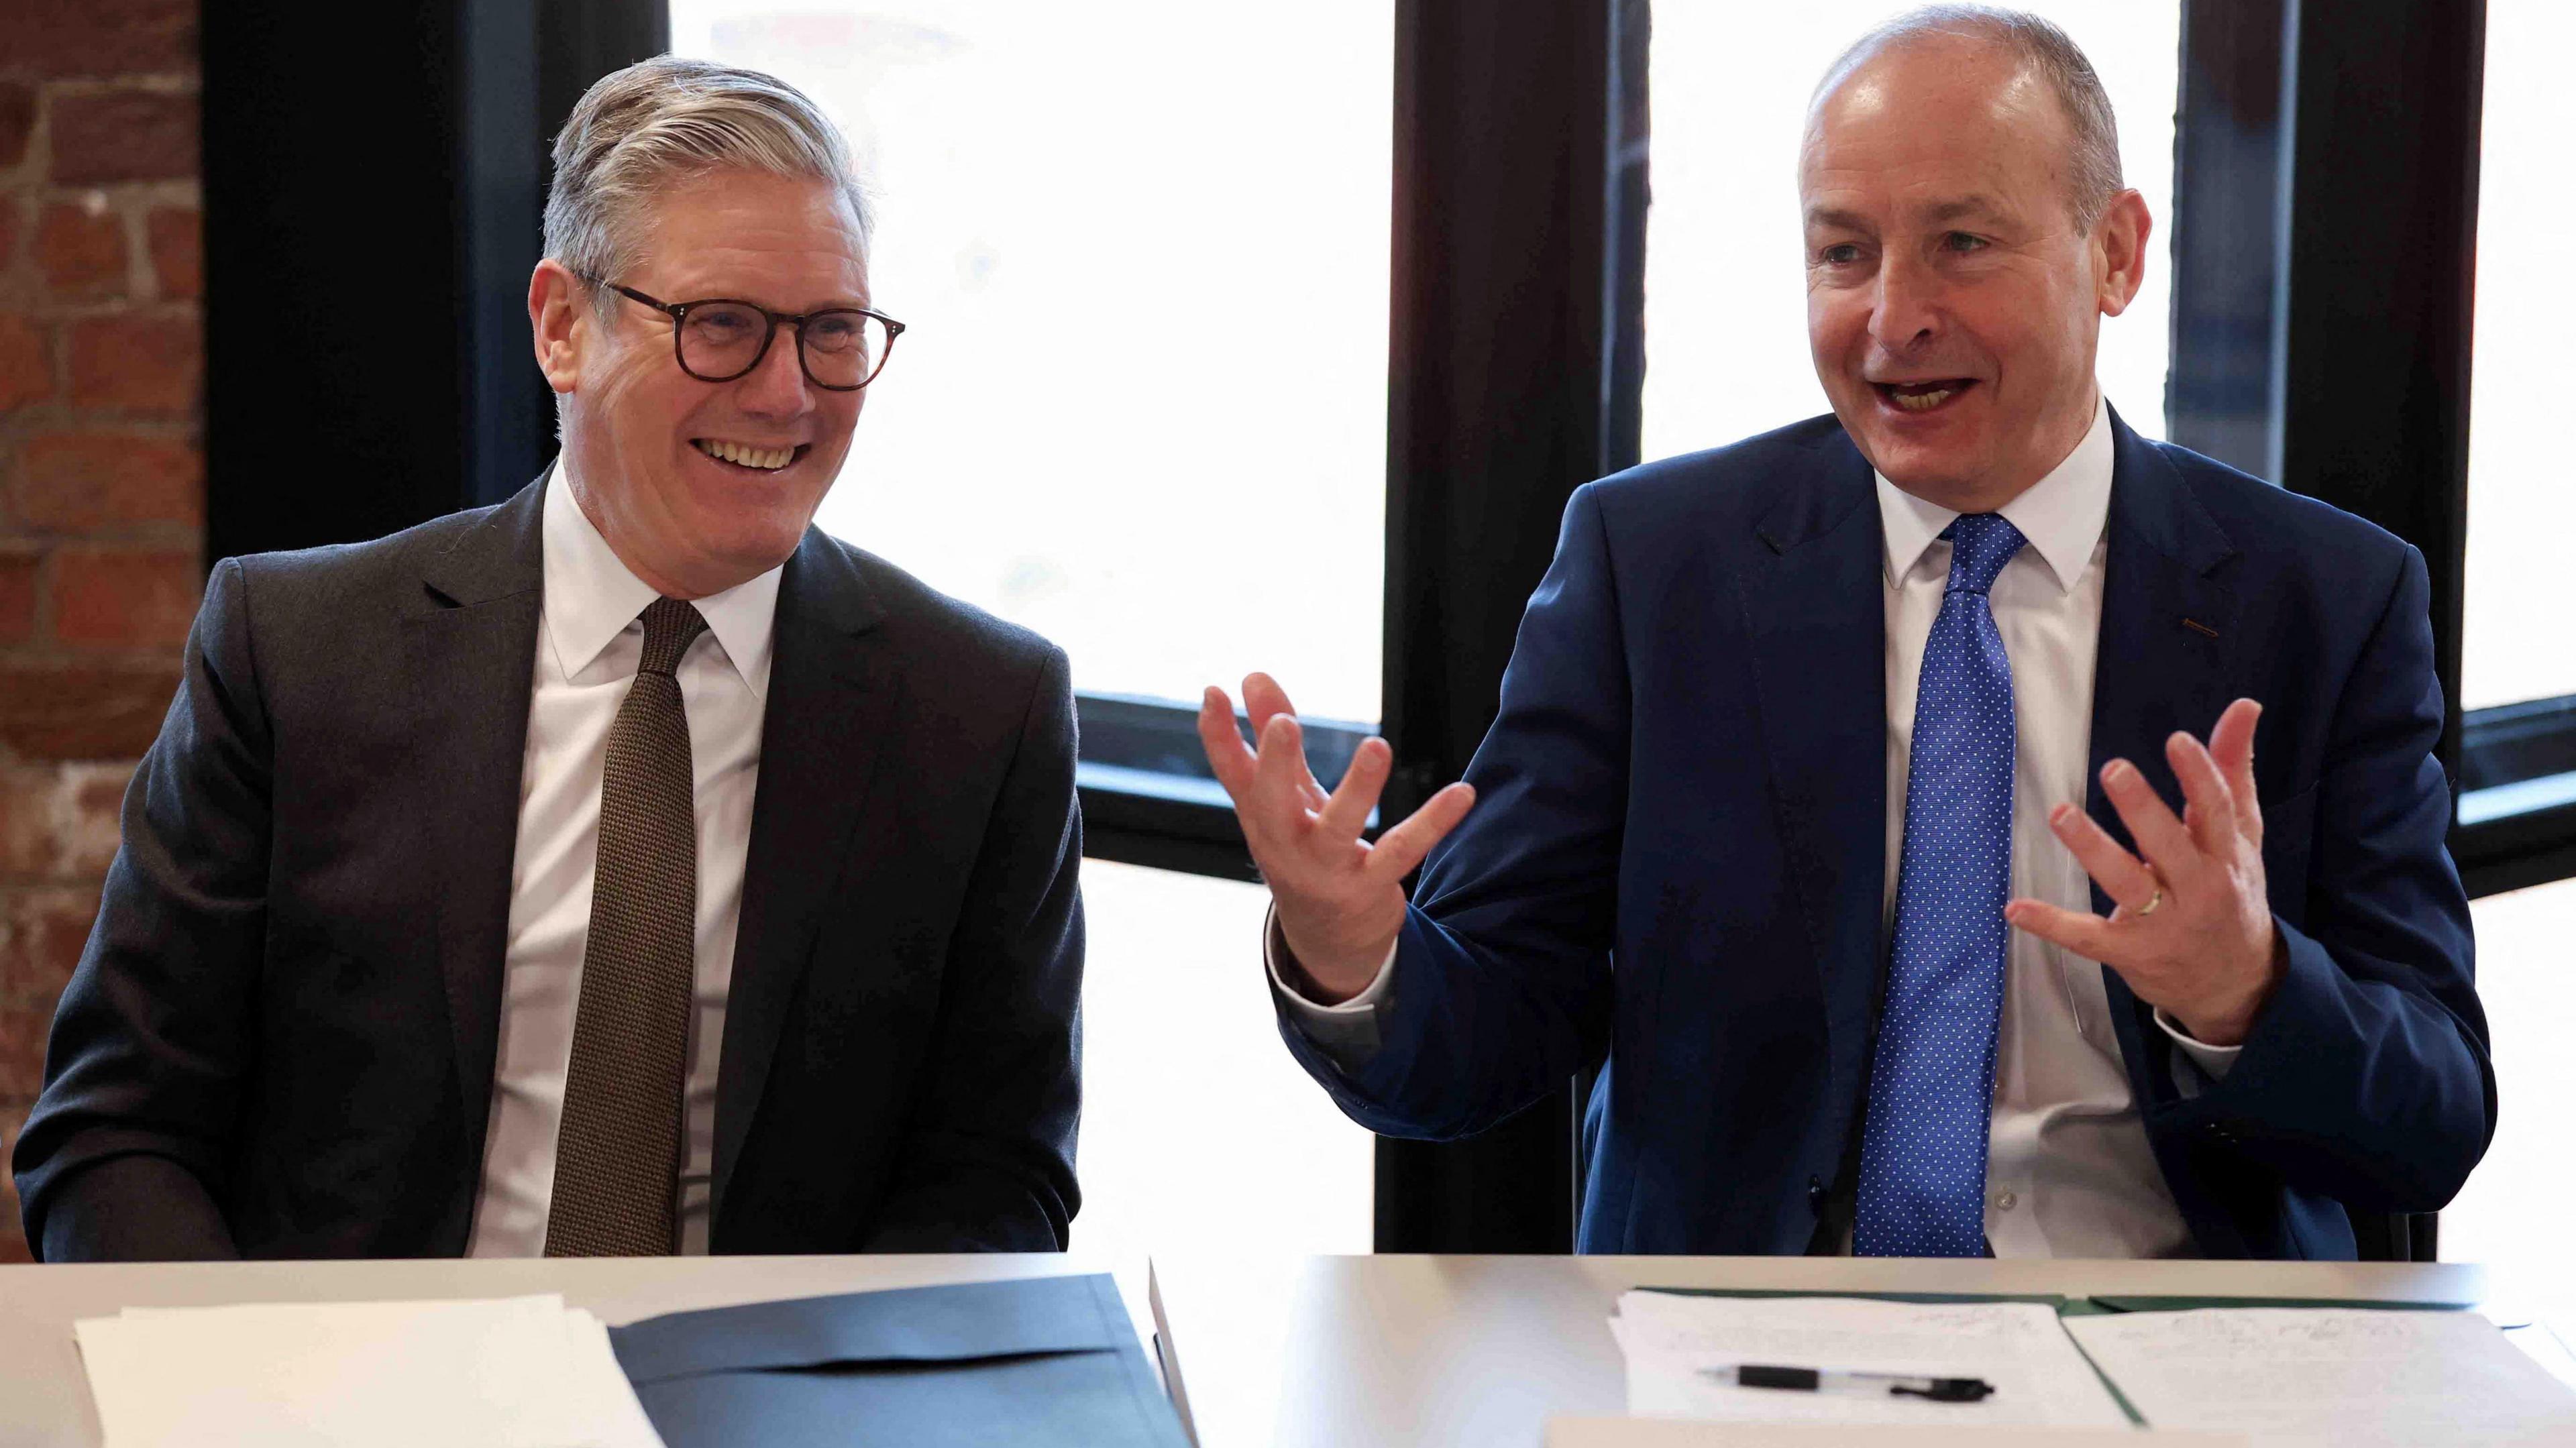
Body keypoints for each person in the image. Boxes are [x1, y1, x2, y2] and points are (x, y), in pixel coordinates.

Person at [1202, 5, 2491, 1258]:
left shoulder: (2328, 599)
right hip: (1738, 1346)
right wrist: (1354, 955)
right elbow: (1484, 1042)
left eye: (1962, 245)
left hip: (2165, 1349)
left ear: (2116, 252)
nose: (1891, 317)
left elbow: (2433, 1123)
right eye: (1843, 253)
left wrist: (2245, 993)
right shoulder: (1655, 569)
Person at [14, 57, 1083, 1260]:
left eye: (833, 332)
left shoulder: (980, 713)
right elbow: (118, 1131)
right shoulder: (298, 652)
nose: (789, 395)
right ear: (563, 327)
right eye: (721, 326)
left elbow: (999, 1180)